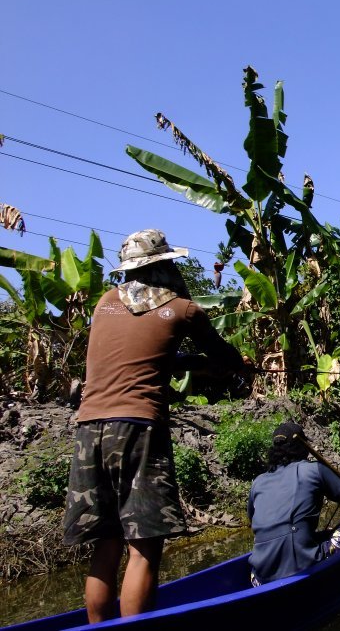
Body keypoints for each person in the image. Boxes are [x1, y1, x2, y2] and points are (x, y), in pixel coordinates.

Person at [63, 229, 249, 623]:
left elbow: (142, 353)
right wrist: (235, 365)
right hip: (139, 428)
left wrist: (188, 363)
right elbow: (223, 355)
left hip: (88, 428)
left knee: (106, 543)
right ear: (164, 265)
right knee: (144, 546)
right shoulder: (184, 309)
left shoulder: (104, 303)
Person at [247, 421, 340, 585]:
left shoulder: (258, 482)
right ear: (303, 447)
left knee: (310, 534)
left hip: (259, 577)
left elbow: (254, 523)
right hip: (303, 565)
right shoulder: (314, 470)